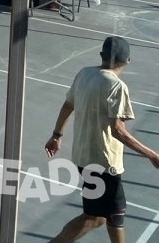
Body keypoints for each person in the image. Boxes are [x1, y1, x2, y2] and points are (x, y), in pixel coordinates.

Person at [43, 36, 159, 242]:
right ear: (127, 60)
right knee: (113, 215)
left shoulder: (84, 74)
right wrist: (152, 155)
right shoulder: (116, 86)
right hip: (105, 163)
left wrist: (56, 136)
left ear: (102, 55)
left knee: (96, 218)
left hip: (83, 158)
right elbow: (118, 131)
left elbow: (68, 105)